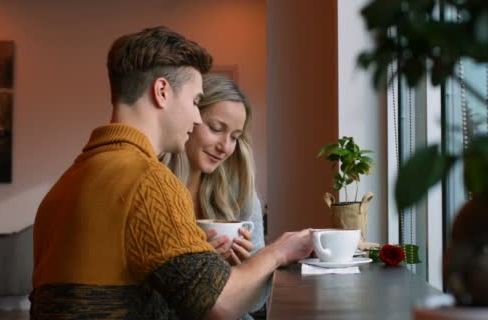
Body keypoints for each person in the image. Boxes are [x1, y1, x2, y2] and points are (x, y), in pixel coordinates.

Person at [30, 26, 313, 320]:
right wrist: (279, 251)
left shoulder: (62, 187)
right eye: (193, 102)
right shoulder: (150, 181)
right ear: (162, 92)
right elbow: (223, 305)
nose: (195, 116)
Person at [160, 74, 268, 319]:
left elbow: (256, 303)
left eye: (234, 137)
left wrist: (241, 270)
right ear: (189, 118)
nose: (225, 147)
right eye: (216, 129)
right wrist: (193, 270)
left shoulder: (240, 195)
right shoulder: (154, 190)